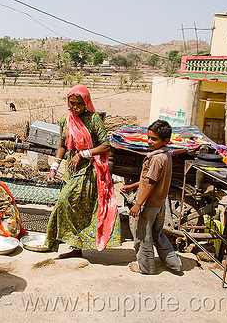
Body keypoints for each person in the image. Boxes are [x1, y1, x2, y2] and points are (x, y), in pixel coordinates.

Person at [45, 85, 121, 258]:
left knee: (67, 202)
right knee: (72, 207)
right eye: (72, 103)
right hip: (71, 171)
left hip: (89, 170)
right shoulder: (66, 120)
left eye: (79, 103)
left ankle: (67, 244)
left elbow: (105, 145)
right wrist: (54, 168)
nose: (75, 107)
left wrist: (83, 154)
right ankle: (76, 248)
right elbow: (62, 145)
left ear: (86, 102)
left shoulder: (94, 120)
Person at [121, 120, 182, 274]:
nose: (149, 141)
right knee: (158, 234)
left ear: (165, 141)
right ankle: (174, 262)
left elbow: (150, 183)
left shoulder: (155, 159)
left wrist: (138, 204)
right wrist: (134, 186)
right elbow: (149, 179)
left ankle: (145, 267)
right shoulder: (166, 155)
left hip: (148, 205)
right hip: (160, 204)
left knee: (143, 237)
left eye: (154, 139)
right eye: (149, 137)